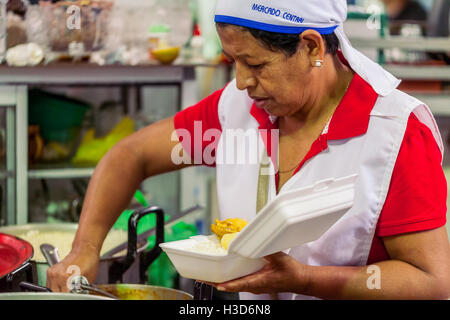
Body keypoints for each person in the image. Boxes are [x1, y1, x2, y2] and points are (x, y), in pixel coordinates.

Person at [47, 0, 450, 300]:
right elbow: (129, 157)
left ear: (311, 48)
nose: (241, 82)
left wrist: (304, 280)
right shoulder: (237, 113)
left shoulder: (394, 133)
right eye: (232, 61)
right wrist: (84, 249)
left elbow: (432, 283)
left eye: (255, 65)